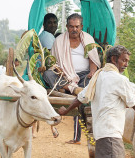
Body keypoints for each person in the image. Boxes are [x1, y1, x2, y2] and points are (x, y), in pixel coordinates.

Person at [58, 45, 135, 158]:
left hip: (100, 134)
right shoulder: (120, 80)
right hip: (111, 135)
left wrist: (66, 111)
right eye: (124, 60)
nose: (126, 64)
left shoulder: (98, 76)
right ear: (114, 59)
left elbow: (81, 98)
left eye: (127, 61)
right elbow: (134, 104)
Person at [43, 13, 101, 144]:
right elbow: (53, 63)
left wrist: (92, 72)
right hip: (64, 76)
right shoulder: (59, 41)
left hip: (84, 75)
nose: (74, 29)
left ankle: (78, 137)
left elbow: (93, 59)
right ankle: (72, 88)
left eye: (77, 26)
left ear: (81, 27)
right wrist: (60, 71)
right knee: (47, 74)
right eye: (71, 26)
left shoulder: (88, 39)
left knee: (81, 97)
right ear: (67, 27)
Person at [33, 13, 59, 138]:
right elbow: (50, 60)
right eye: (50, 22)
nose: (53, 25)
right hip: (44, 73)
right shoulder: (48, 36)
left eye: (55, 22)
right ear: (44, 25)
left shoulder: (47, 35)